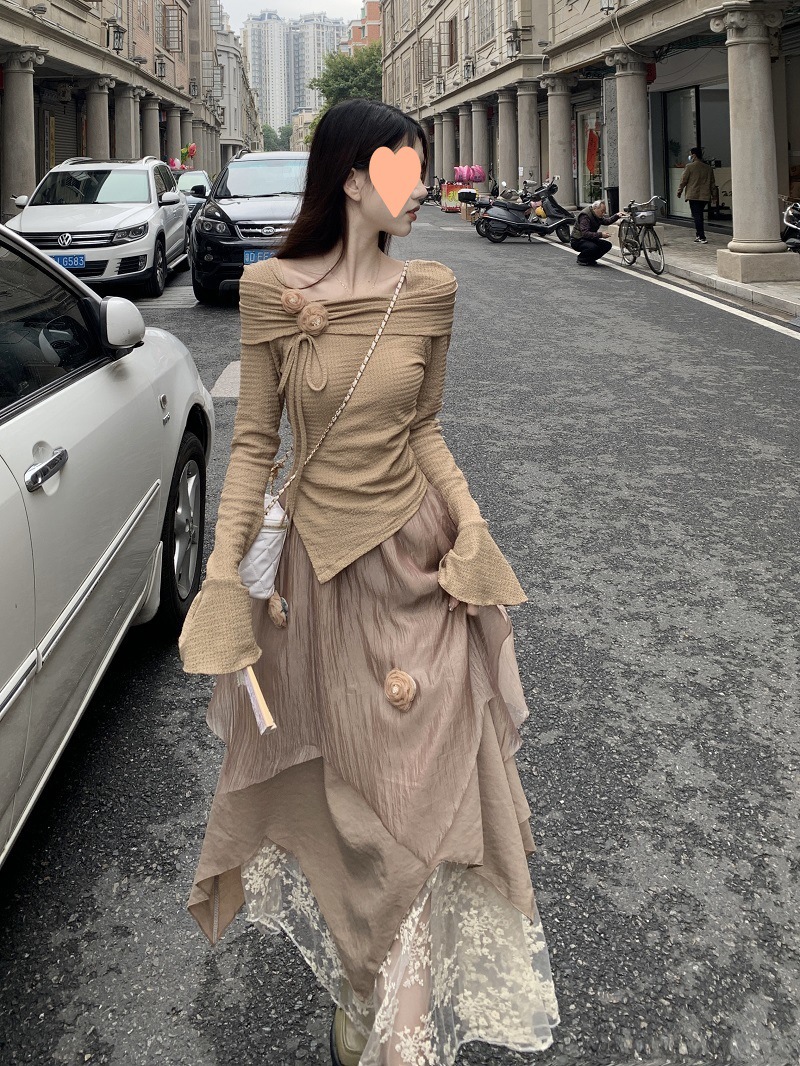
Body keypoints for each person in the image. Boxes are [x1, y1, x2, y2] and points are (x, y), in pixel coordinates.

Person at [178, 97, 559, 1066]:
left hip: (420, 572)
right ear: (351, 178)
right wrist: (222, 575)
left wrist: (472, 526)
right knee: (353, 806)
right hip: (320, 583)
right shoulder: (271, 291)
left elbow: (423, 427)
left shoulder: (429, 289)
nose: (422, 187)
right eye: (404, 170)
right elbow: (254, 445)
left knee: (422, 797)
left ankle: (397, 1032)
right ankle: (366, 985)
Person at [677, 146, 716, 244]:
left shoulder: (689, 167)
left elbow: (683, 180)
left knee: (697, 216)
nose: (690, 156)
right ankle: (699, 235)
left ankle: (701, 236)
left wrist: (679, 190)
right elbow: (712, 184)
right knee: (699, 215)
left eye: (690, 155)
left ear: (694, 155)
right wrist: (714, 196)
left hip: (693, 195)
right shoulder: (708, 168)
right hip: (704, 195)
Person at [570, 199, 627, 265]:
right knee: (593, 247)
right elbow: (585, 233)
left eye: (604, 212)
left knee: (607, 245)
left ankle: (590, 259)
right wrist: (601, 235)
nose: (603, 214)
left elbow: (607, 221)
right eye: (602, 211)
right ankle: (582, 258)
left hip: (589, 239)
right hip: (578, 240)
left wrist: (617, 215)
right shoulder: (585, 216)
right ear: (595, 208)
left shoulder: (596, 215)